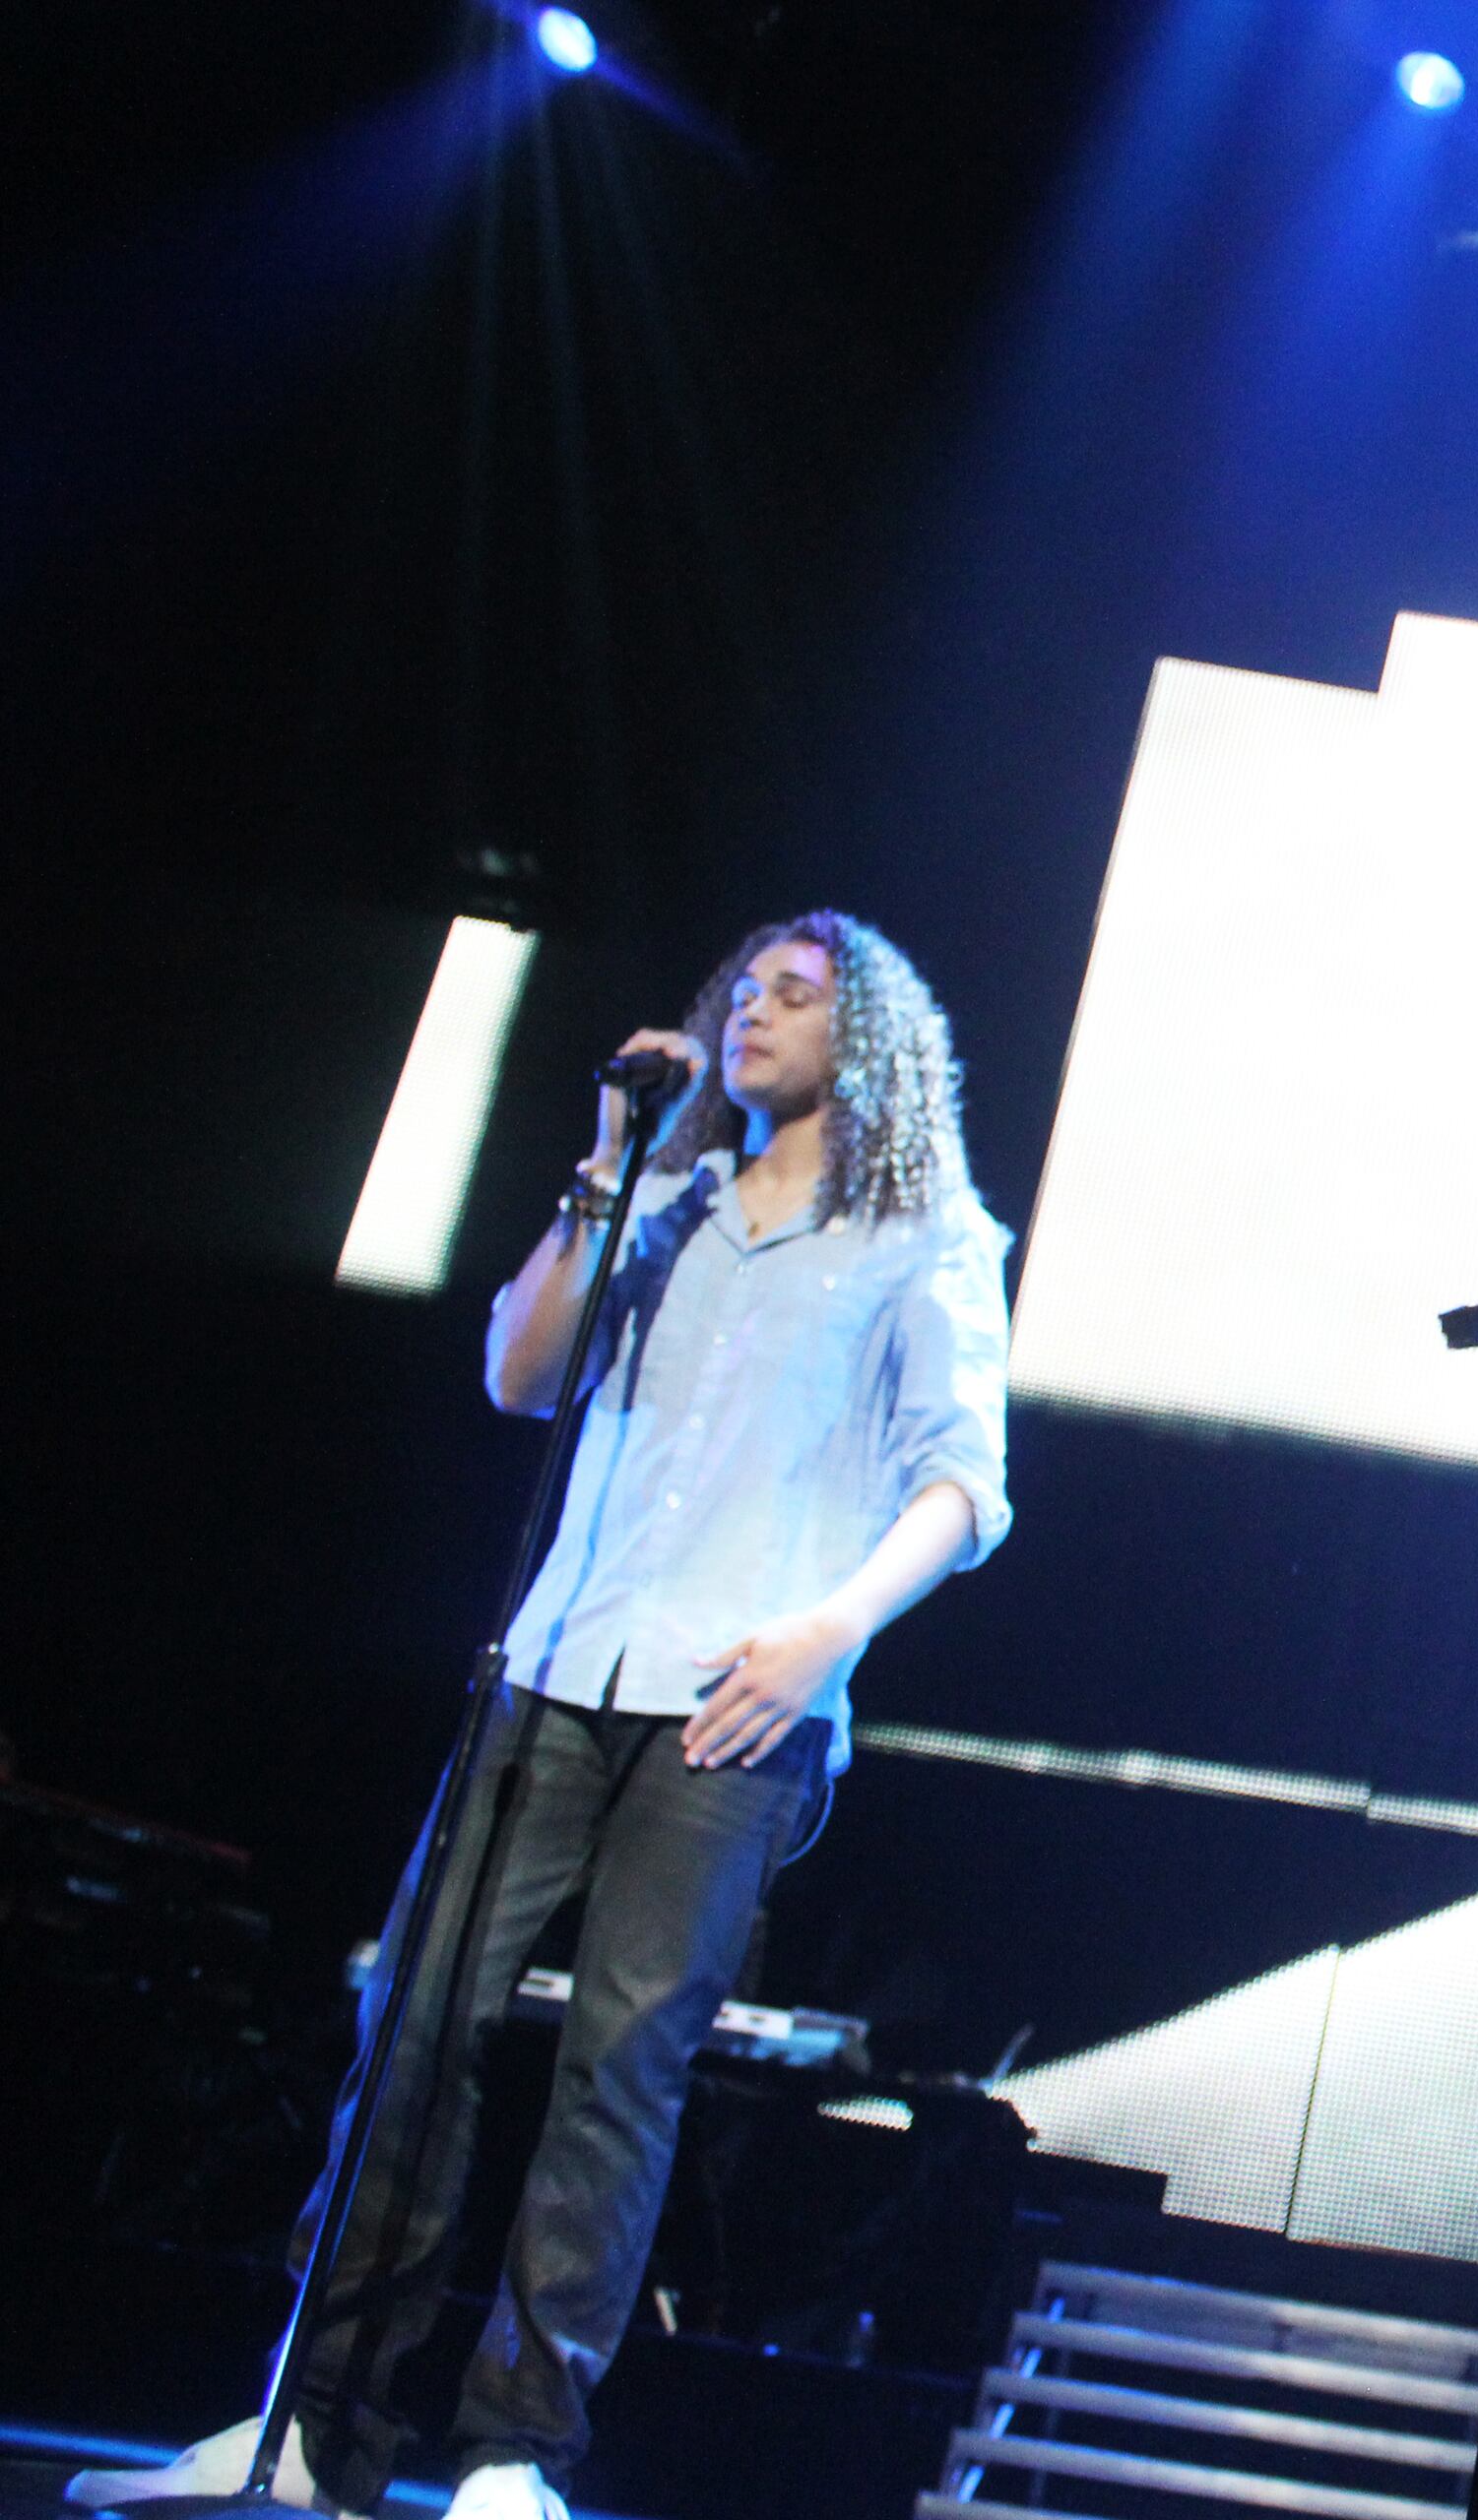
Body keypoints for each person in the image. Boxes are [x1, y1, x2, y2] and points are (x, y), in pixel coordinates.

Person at [74, 912, 1012, 2520]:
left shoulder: (924, 1236)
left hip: (732, 1706)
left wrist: (829, 1639)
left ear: (870, 1044)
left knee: (618, 2069)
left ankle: (517, 2453)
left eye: (795, 999)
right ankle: (310, 2432)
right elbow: (520, 1375)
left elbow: (965, 1486)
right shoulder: (658, 1204)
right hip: (552, 1672)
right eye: (743, 997)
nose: (754, 1020)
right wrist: (601, 1162)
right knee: (414, 2023)